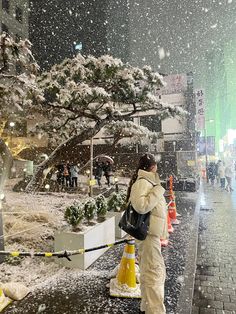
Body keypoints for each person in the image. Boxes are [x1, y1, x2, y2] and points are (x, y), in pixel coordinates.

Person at [127, 153, 168, 314]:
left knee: (149, 271)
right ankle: (155, 310)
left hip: (150, 235)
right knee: (154, 273)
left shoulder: (148, 181)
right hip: (148, 235)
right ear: (152, 166)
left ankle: (147, 307)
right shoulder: (144, 182)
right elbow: (141, 206)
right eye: (156, 164)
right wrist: (158, 191)